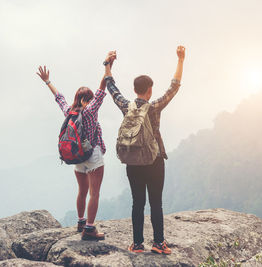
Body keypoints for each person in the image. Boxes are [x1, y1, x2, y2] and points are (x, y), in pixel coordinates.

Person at [104, 46, 185, 254]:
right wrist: (180, 60)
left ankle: (137, 244)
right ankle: (158, 243)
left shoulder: (126, 106)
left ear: (134, 90)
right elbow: (174, 87)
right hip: (154, 160)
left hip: (133, 162)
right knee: (156, 203)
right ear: (149, 90)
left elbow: (111, 88)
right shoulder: (155, 106)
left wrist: (108, 65)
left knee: (137, 202)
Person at [36, 54, 114, 240]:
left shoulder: (69, 111)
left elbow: (59, 97)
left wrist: (48, 81)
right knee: (94, 193)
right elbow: (102, 88)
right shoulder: (91, 110)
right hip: (93, 155)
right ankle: (89, 229)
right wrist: (108, 66)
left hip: (77, 156)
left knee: (82, 191)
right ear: (89, 98)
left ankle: (80, 221)